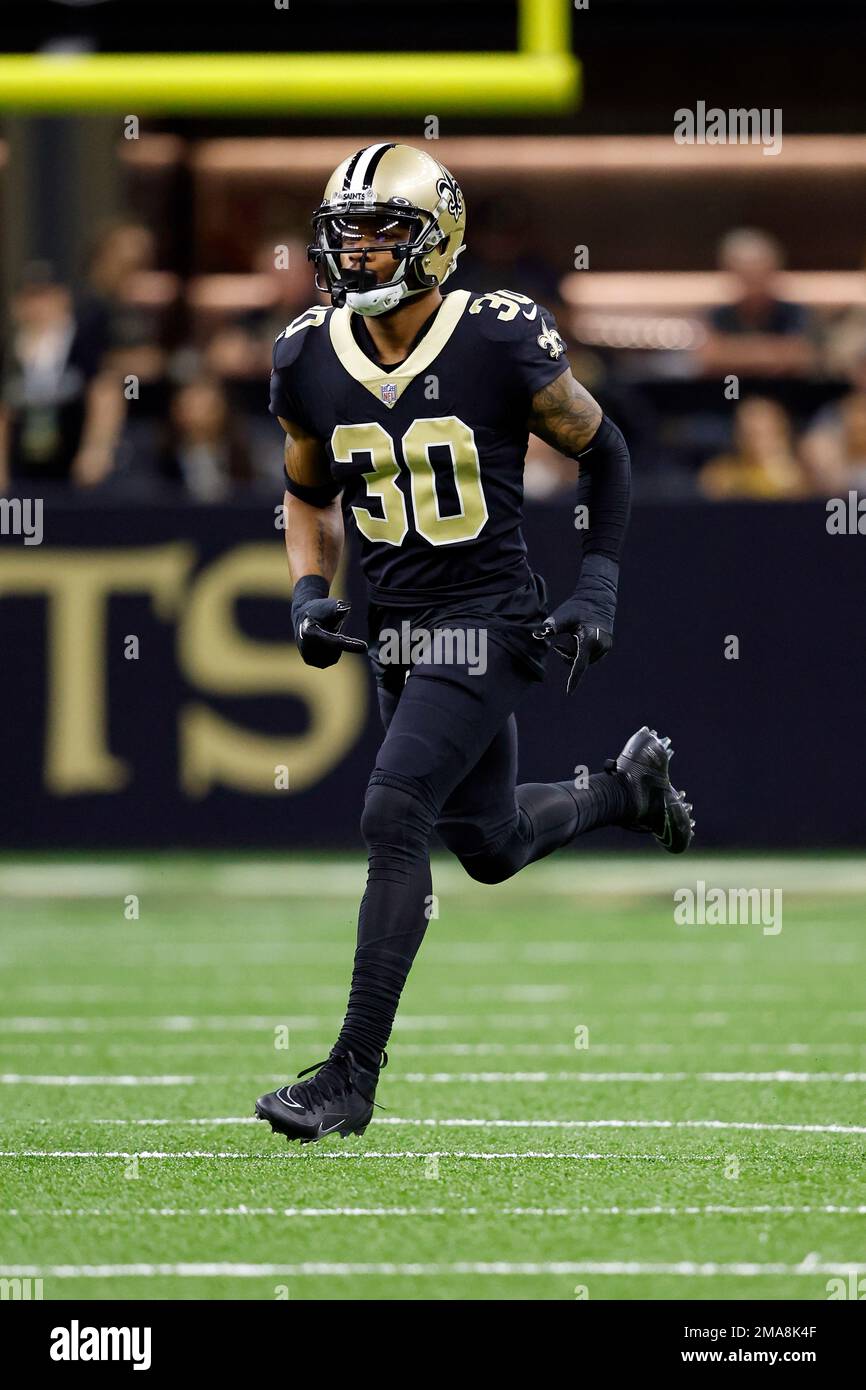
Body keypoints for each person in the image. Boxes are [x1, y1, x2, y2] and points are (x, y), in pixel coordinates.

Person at [254, 144, 695, 1146]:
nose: (360, 255)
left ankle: (348, 1075)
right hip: (399, 631)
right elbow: (304, 492)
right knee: (487, 845)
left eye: (383, 233)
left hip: (489, 618)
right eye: (347, 234)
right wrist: (311, 590)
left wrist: (595, 583)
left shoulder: (494, 335)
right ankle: (623, 792)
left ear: (435, 239)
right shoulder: (306, 352)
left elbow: (603, 448)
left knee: (390, 809)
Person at [698, 229, 814, 379]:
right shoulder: (717, 315)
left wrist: (733, 352)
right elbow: (708, 357)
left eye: (759, 273)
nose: (753, 281)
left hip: (786, 394)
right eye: (746, 274)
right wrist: (773, 352)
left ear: (774, 270)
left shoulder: (797, 313)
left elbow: (803, 355)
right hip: (731, 390)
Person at [699, 396, 807, 500]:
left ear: (783, 431)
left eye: (767, 432)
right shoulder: (721, 471)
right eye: (751, 433)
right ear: (738, 436)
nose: (759, 443)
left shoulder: (804, 471)